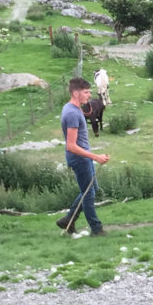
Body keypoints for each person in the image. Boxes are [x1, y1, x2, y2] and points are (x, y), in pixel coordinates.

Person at [56, 77, 110, 235]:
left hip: (83, 158)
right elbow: (71, 145)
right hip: (80, 159)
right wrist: (96, 157)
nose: (89, 95)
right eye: (86, 92)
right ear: (75, 93)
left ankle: (68, 219)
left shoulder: (72, 107)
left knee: (91, 189)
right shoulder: (72, 113)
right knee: (88, 193)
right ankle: (96, 229)